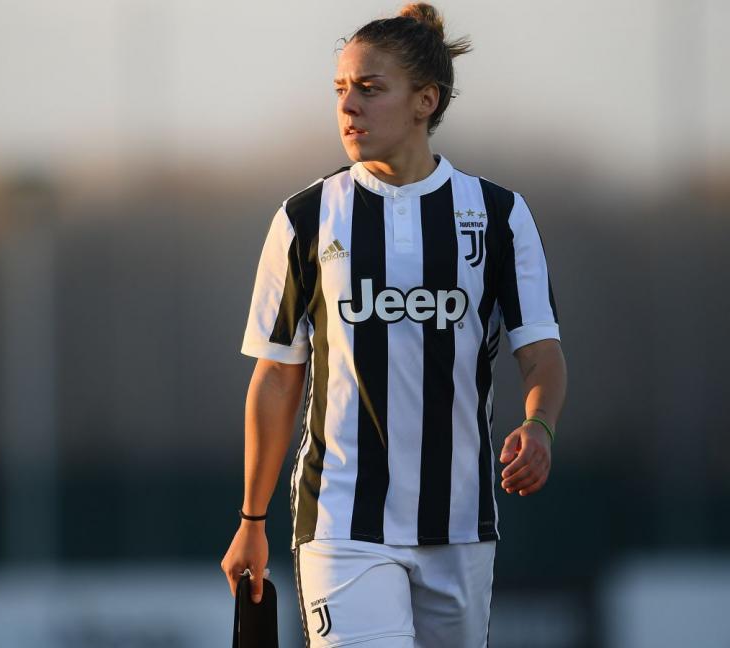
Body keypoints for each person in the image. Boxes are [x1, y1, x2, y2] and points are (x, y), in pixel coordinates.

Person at [220, 4, 568, 647]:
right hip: (340, 523)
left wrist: (539, 424)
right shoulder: (306, 218)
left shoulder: (498, 215)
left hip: (459, 525)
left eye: (370, 89)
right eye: (340, 89)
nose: (348, 106)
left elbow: (540, 352)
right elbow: (275, 376)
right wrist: (252, 519)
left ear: (424, 101)